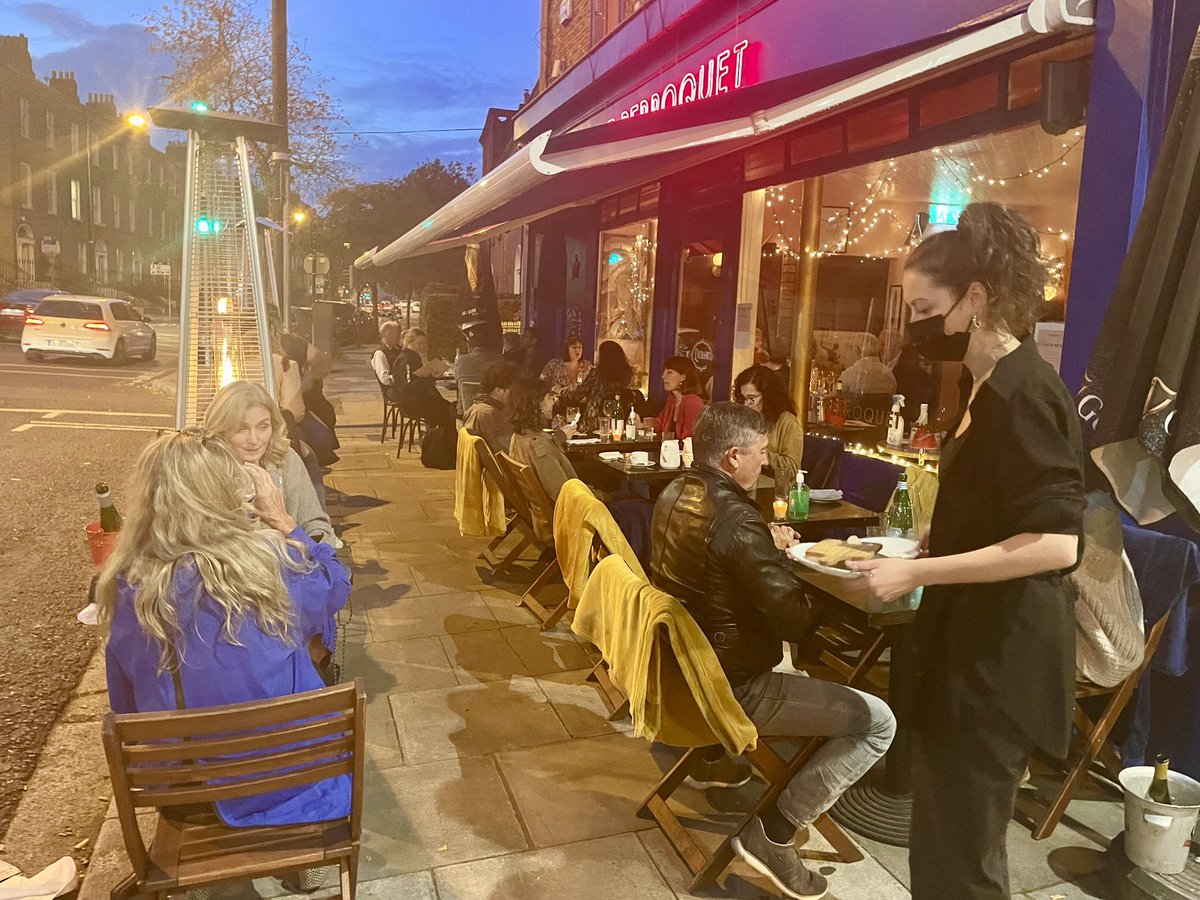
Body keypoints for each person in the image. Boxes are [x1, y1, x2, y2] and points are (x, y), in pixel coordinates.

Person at [846, 201, 1085, 900]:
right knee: (943, 849)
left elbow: (1055, 543)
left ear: (976, 299)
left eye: (925, 307)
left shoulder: (1023, 393)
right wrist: (935, 535)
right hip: (967, 646)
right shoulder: (981, 385)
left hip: (1002, 660)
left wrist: (920, 570)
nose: (917, 326)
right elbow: (1000, 510)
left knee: (966, 863)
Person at [651, 403, 895, 900]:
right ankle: (775, 834)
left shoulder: (675, 491)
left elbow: (718, 569)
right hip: (732, 688)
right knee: (879, 722)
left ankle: (718, 761)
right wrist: (801, 568)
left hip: (679, 673)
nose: (765, 462)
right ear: (733, 455)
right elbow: (796, 621)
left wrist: (766, 546)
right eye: (760, 453)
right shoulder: (739, 521)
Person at [98, 428, 352, 832]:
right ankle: (304, 857)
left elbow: (126, 704)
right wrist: (285, 520)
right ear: (227, 495)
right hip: (293, 778)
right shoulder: (271, 566)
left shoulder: (127, 588)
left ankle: (200, 882)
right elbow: (336, 585)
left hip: (188, 794)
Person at [507, 378, 580, 533]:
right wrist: (600, 497)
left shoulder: (519, 436)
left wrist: (559, 437)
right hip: (564, 522)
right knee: (636, 508)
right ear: (536, 404)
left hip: (540, 515)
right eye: (549, 398)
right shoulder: (538, 446)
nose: (554, 402)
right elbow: (562, 493)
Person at [734, 365, 805, 487]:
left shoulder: (788, 423)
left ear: (767, 396)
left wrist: (759, 453)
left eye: (751, 398)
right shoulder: (743, 418)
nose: (746, 404)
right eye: (742, 399)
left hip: (773, 490)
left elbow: (792, 470)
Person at [560, 340, 646, 435]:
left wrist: (563, 394)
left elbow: (577, 396)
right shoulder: (627, 375)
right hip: (618, 422)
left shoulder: (596, 374)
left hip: (594, 423)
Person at [395, 327, 455, 432]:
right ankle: (438, 438)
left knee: (449, 408)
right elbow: (408, 386)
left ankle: (436, 436)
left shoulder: (412, 357)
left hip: (418, 399)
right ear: (410, 342)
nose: (423, 346)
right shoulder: (407, 359)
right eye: (419, 343)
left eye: (424, 343)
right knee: (450, 411)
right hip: (413, 402)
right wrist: (430, 378)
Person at [463, 360, 518, 456]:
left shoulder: (476, 407)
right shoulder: (488, 414)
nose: (516, 393)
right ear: (499, 391)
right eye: (513, 389)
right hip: (501, 468)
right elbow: (510, 449)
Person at [645, 356, 705, 440]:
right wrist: (642, 423)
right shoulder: (672, 399)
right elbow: (660, 423)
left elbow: (689, 438)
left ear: (683, 377)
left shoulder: (693, 402)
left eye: (669, 372)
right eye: (664, 371)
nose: (663, 376)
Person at [370, 320, 404, 401]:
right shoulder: (380, 353)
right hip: (392, 390)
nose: (400, 336)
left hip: (401, 387)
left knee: (428, 390)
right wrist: (403, 378)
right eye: (398, 334)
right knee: (418, 395)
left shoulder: (397, 349)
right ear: (389, 334)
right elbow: (385, 379)